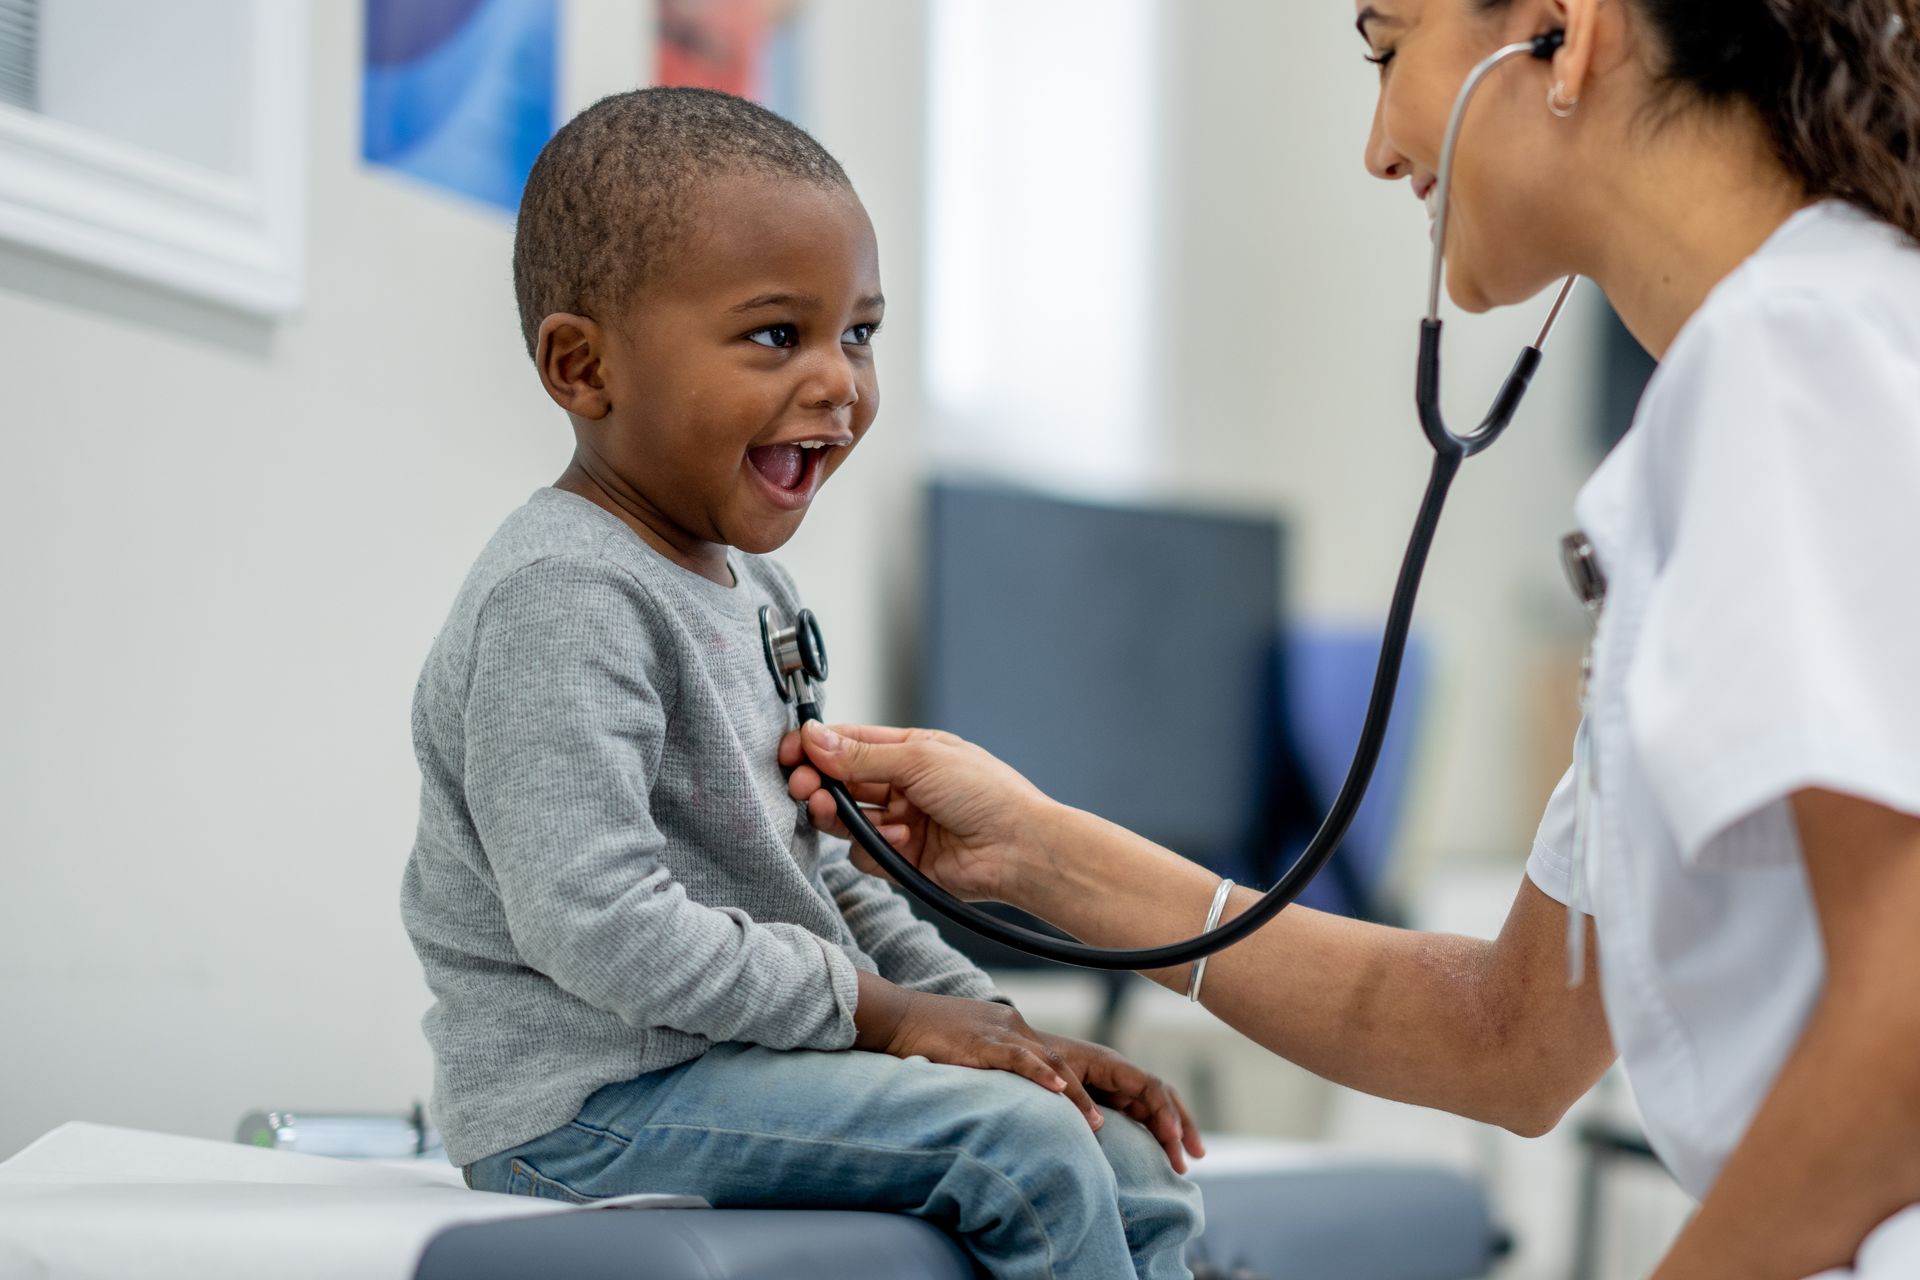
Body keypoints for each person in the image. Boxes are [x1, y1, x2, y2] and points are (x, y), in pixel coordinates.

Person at [783, 2, 1920, 1276]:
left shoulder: (1800, 348)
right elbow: (1511, 1033)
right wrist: (1037, 849)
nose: (1379, 147)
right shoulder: (1774, 367)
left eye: (1388, 50)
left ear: (1558, 29)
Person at [399, 87, 1203, 1280]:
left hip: (739, 1061)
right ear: (584, 365)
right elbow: (597, 924)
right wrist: (892, 1020)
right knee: (1023, 1147)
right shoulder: (562, 595)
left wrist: (1008, 1033)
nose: (840, 382)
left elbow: (827, 878)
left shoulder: (756, 596)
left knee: (1115, 1144)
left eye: (861, 333)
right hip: (589, 1107)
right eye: (778, 335)